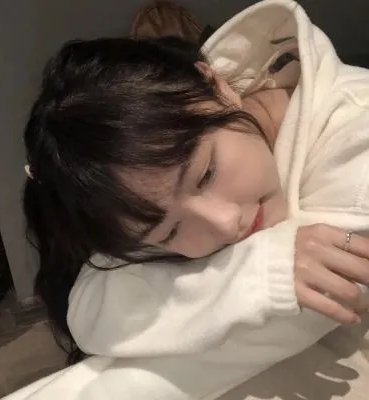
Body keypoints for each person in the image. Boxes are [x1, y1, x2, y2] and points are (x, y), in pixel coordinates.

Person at [23, 0, 369, 397]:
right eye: (170, 232)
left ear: (216, 85)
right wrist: (255, 274)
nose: (225, 224)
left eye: (206, 174)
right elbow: (88, 309)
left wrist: (221, 290)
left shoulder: (358, 139)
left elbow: (298, 317)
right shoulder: (144, 196)